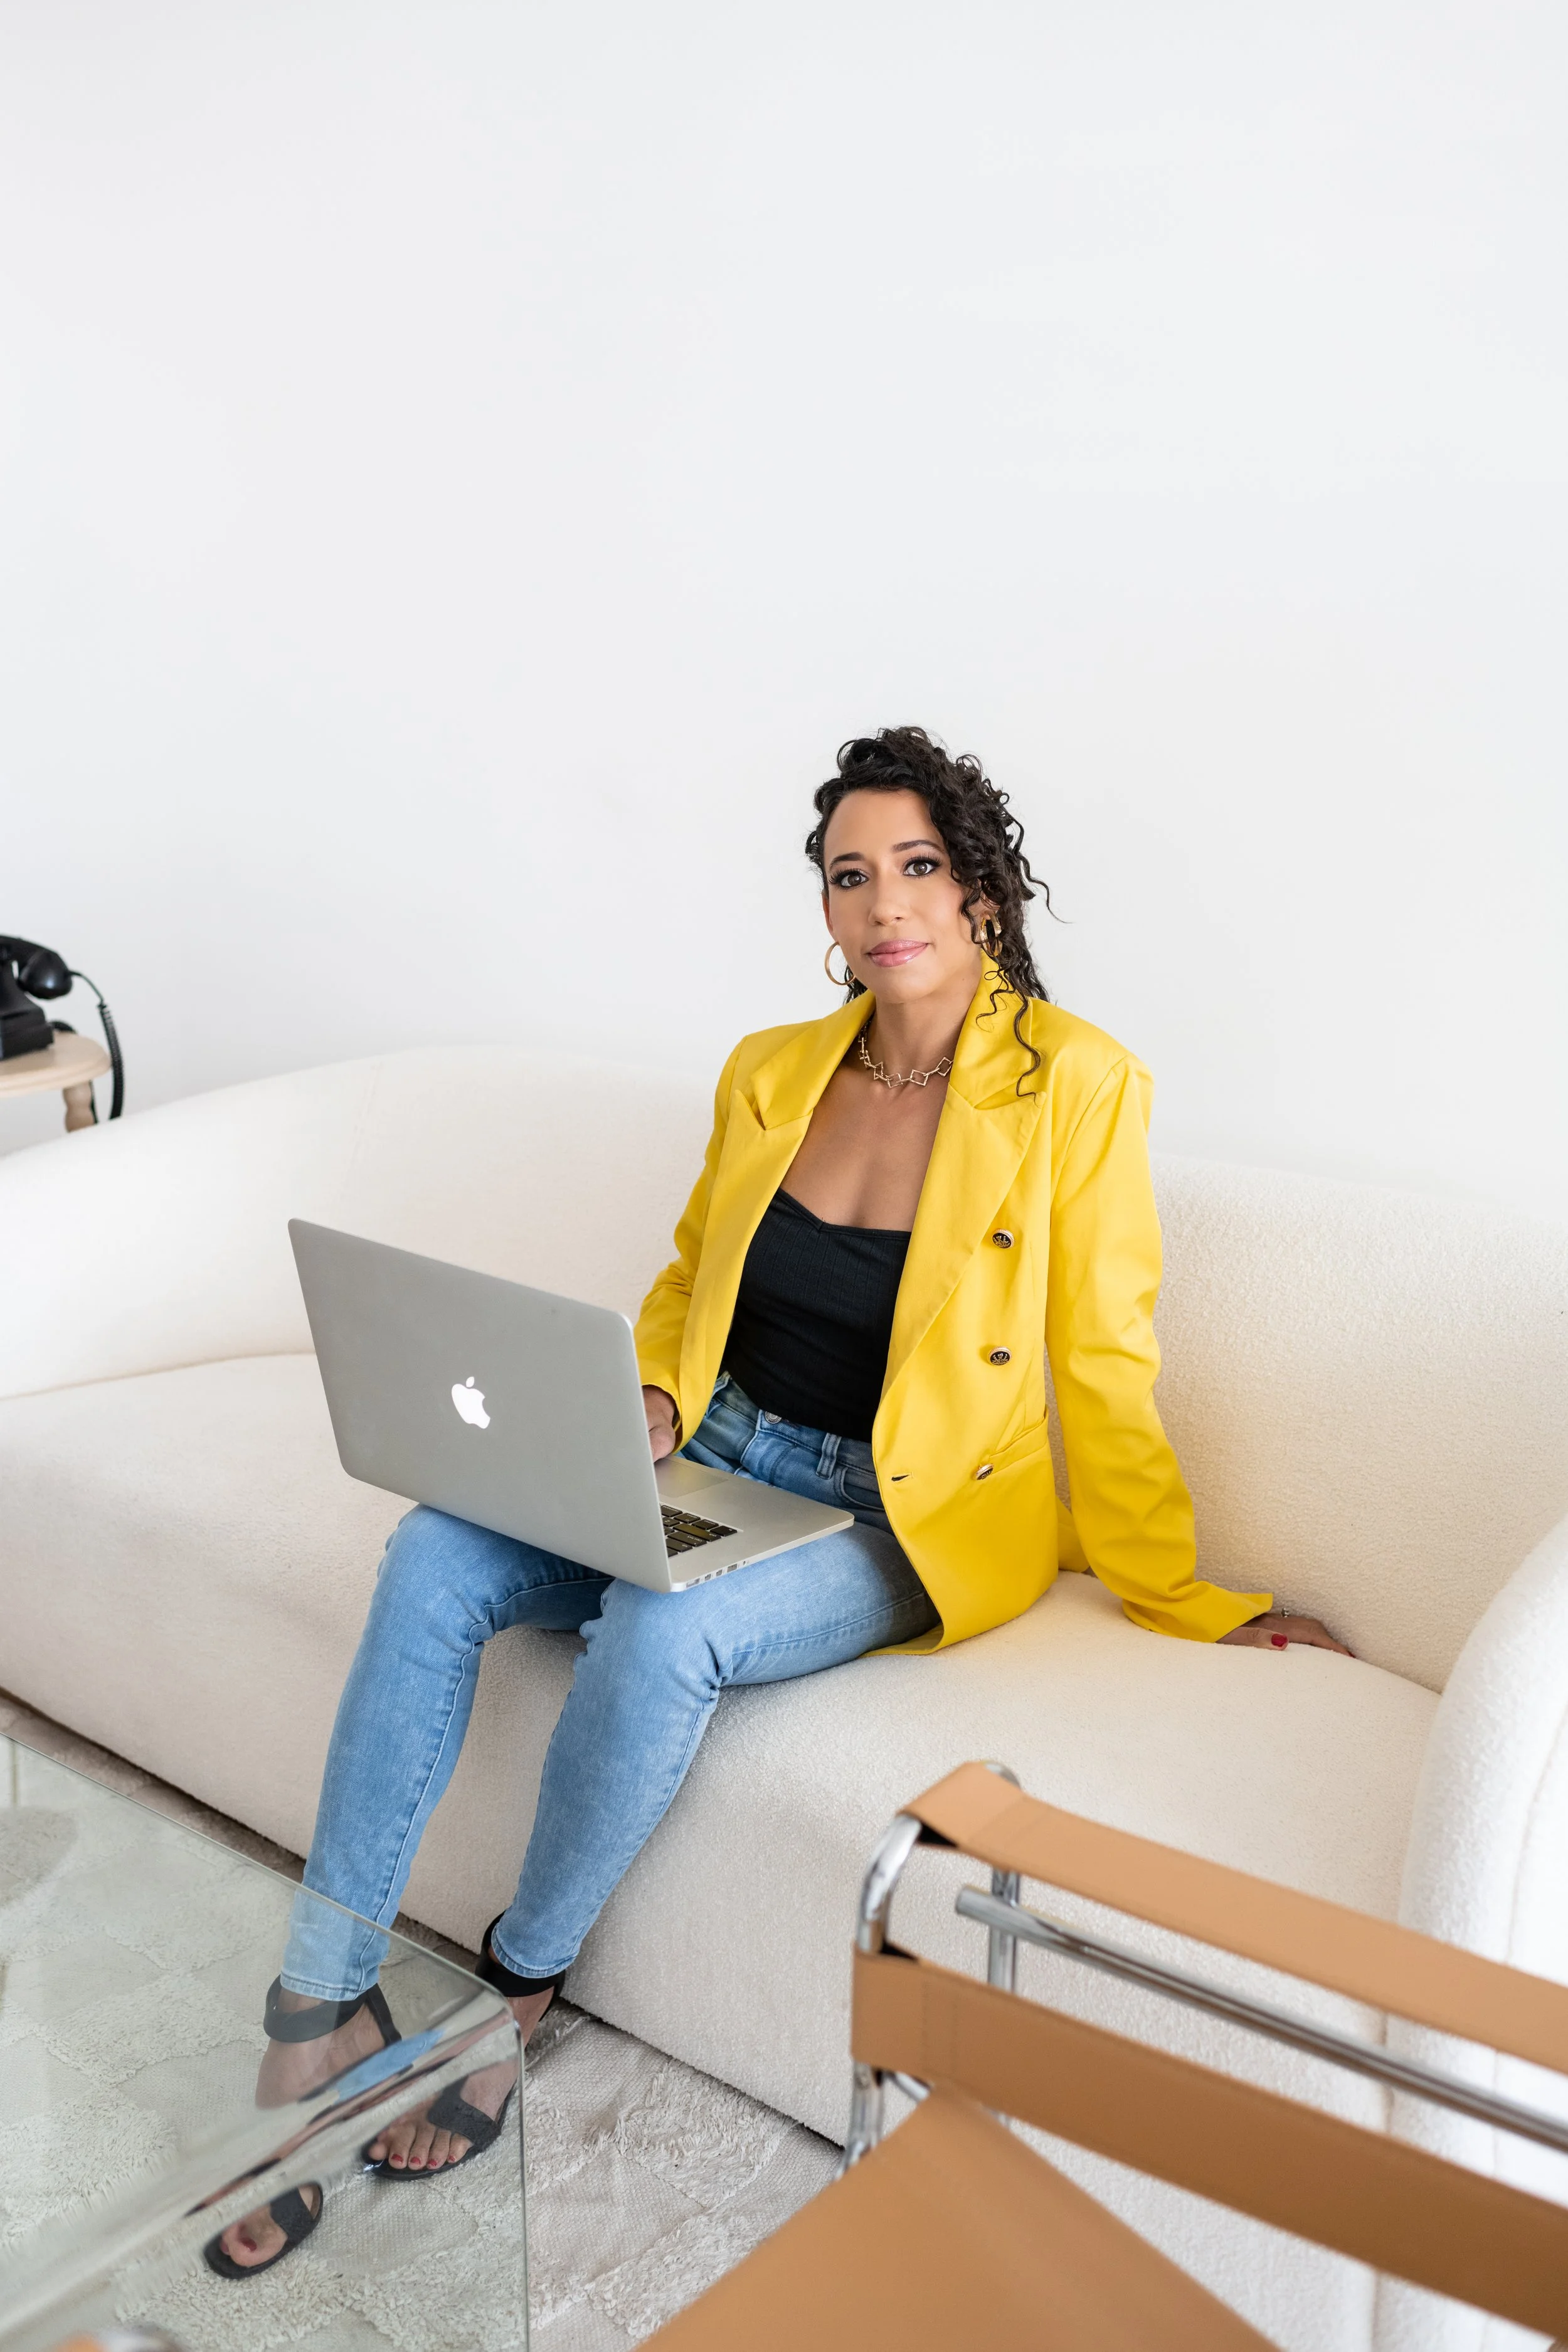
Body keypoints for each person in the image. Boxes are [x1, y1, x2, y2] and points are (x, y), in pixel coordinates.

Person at [210, 725, 1349, 2275]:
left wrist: (1189, 1596)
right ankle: (317, 2007)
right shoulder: (773, 1070)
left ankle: (512, 1994)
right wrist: (661, 1397)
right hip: (714, 1454)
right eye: (848, 875)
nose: (884, 904)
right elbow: (693, 1277)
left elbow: (1102, 1366)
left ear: (983, 892)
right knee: (432, 1552)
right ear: (822, 906)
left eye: (918, 867)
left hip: (896, 1518)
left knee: (661, 1630)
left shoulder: (1076, 1087)